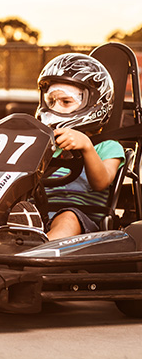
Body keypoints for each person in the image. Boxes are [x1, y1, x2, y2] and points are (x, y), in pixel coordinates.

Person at [34, 53, 125, 240]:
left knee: (68, 218)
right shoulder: (46, 145)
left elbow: (101, 182)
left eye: (65, 102)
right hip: (38, 215)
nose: (56, 109)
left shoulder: (108, 147)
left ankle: (37, 252)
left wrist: (86, 147)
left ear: (94, 104)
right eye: (51, 102)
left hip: (83, 222)